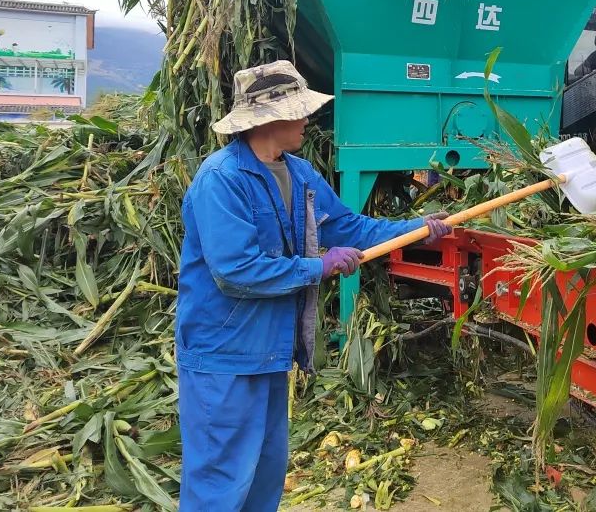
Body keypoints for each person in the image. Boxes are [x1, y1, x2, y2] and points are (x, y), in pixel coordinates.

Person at [175, 60, 451, 512]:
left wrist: (416, 228)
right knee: (221, 479)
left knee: (265, 471)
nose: (308, 119)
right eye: (300, 111)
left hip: (269, 351)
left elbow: (349, 227)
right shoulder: (221, 181)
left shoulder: (300, 174)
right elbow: (236, 270)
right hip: (222, 354)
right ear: (270, 118)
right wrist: (316, 267)